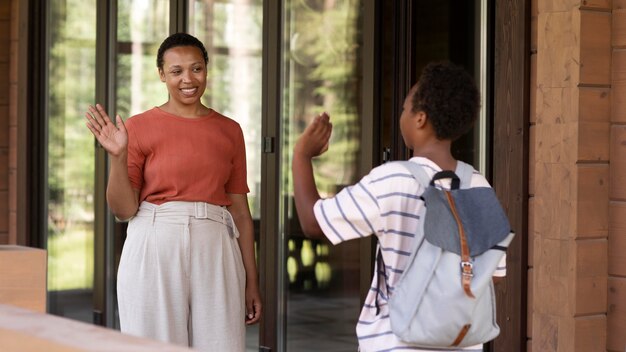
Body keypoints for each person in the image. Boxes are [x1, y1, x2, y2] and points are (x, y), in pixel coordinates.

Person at [292, 61, 506, 352]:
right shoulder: (480, 186)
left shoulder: (393, 178)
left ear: (420, 118)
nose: (402, 114)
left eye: (405, 108)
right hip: (462, 343)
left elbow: (313, 223)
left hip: (396, 342)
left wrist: (301, 155)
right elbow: (492, 274)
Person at [85, 32, 261, 351]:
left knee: (222, 344)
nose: (187, 79)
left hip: (216, 242)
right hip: (154, 238)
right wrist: (118, 157)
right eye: (176, 71)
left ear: (206, 69)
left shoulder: (229, 130)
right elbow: (123, 210)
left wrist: (252, 280)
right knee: (154, 345)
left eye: (196, 68)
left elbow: (240, 212)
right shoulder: (137, 128)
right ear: (162, 75)